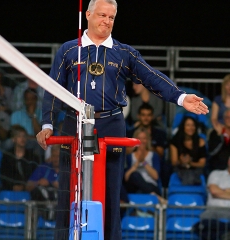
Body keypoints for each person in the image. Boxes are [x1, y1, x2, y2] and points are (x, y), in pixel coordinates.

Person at [36, 0, 208, 239]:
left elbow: (152, 77)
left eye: (112, 17)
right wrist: (47, 125)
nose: (107, 21)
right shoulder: (68, 50)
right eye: (102, 15)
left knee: (111, 192)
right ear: (88, 15)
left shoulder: (124, 52)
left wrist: (180, 97)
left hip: (111, 124)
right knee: (68, 190)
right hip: (73, 123)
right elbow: (53, 89)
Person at [123, 128, 165, 202]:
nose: (141, 141)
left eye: (144, 138)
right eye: (139, 138)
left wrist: (144, 162)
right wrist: (136, 164)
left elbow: (156, 176)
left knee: (142, 187)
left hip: (150, 185)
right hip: (134, 187)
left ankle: (151, 193)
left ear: (148, 140)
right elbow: (126, 178)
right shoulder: (130, 156)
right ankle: (155, 196)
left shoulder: (154, 155)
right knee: (134, 175)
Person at [0, 125, 41, 191]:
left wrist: (28, 185)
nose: (22, 139)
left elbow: (37, 174)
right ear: (13, 139)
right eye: (19, 136)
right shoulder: (7, 156)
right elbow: (4, 175)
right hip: (10, 189)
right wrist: (12, 187)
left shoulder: (33, 157)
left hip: (30, 189)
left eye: (24, 136)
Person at [169, 116, 207, 185]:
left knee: (192, 174)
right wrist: (181, 161)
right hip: (180, 168)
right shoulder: (175, 141)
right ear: (183, 127)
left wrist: (190, 163)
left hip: (196, 168)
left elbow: (202, 163)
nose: (191, 128)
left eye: (193, 125)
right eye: (188, 125)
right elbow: (174, 162)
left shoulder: (200, 141)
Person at [26, 145, 60, 220]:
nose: (55, 159)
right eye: (54, 156)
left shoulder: (68, 171)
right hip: (42, 208)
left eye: (58, 156)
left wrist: (53, 184)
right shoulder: (43, 168)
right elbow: (28, 186)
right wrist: (38, 182)